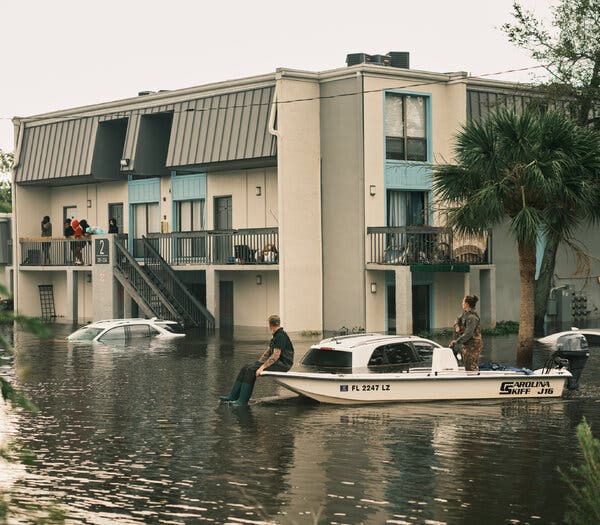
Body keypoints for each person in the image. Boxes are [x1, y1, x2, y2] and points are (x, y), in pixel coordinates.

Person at [220, 315, 294, 405]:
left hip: (283, 365)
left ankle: (242, 401)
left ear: (270, 325)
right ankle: (232, 396)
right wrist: (258, 362)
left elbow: (275, 356)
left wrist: (261, 367)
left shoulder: (280, 336)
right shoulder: (276, 334)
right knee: (246, 367)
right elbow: (268, 352)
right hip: (278, 362)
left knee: (251, 370)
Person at [450, 294, 483, 372]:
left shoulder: (472, 317)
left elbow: (468, 333)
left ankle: (474, 382)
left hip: (473, 346)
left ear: (467, 304)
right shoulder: (465, 313)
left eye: (463, 301)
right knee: (467, 366)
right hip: (466, 344)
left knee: (471, 367)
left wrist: (457, 341)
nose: (462, 303)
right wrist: (457, 326)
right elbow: (457, 320)